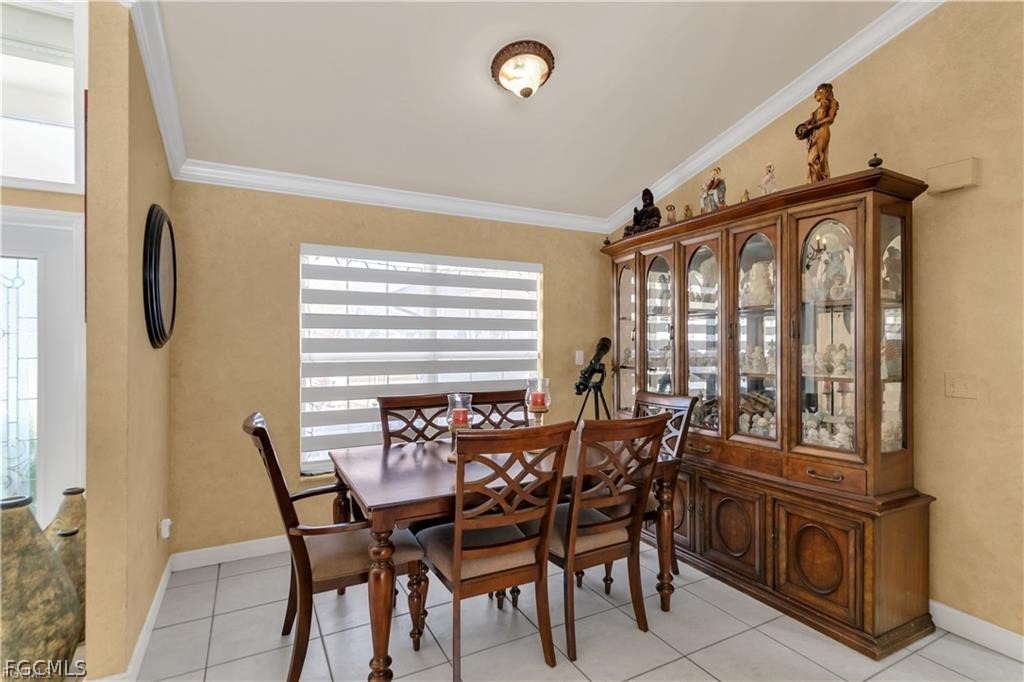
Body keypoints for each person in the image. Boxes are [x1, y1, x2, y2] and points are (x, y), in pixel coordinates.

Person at [796, 83, 839, 183]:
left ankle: (822, 179)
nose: (816, 94)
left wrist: (814, 125)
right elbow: (810, 120)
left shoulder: (832, 102)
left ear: (825, 92)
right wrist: (802, 127)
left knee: (816, 158)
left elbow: (830, 118)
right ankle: (816, 180)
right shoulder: (817, 110)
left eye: (819, 91)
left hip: (823, 131)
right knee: (812, 160)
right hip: (815, 133)